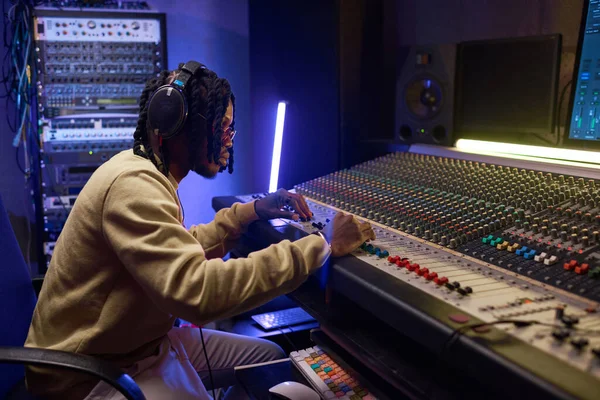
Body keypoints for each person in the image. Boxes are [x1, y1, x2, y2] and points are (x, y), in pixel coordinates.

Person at [25, 61, 376, 400]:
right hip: (87, 372)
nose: (229, 140)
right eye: (222, 128)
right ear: (178, 125)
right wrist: (320, 245)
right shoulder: (132, 186)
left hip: (138, 347)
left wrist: (249, 212)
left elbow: (176, 252)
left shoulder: (146, 172)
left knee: (266, 357)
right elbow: (197, 292)